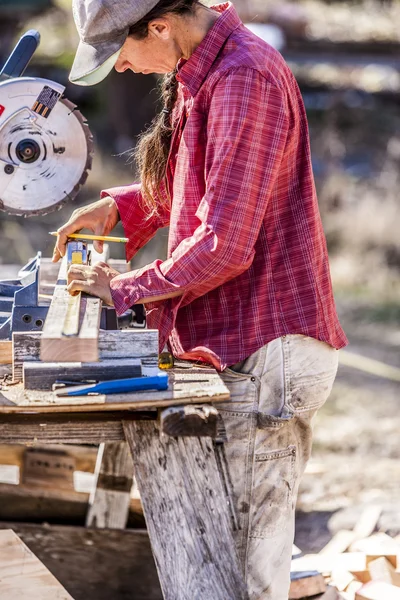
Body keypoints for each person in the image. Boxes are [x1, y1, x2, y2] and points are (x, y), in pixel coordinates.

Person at [53, 1, 348, 598]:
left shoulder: (243, 78)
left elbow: (223, 244)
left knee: (247, 579)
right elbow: (207, 185)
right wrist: (123, 207)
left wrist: (124, 287)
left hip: (269, 354)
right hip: (239, 350)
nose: (124, 69)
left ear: (159, 25)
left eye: (124, 52)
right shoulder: (206, 71)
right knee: (217, 567)